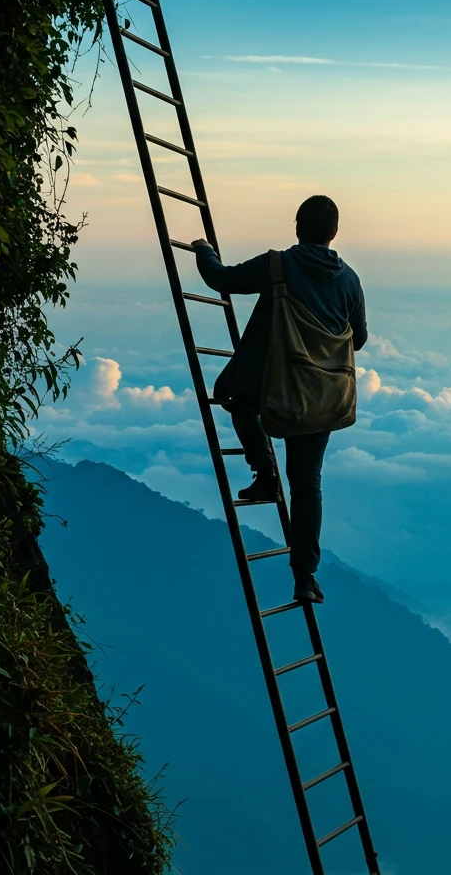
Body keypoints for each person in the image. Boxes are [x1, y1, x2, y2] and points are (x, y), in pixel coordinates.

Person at [191, 195, 367, 604]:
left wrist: (202, 250)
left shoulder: (278, 266)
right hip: (322, 397)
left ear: (296, 226)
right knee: (307, 485)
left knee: (234, 396)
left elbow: (223, 280)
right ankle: (305, 577)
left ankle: (264, 471)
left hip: (271, 385)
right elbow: (357, 338)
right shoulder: (350, 280)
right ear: (334, 233)